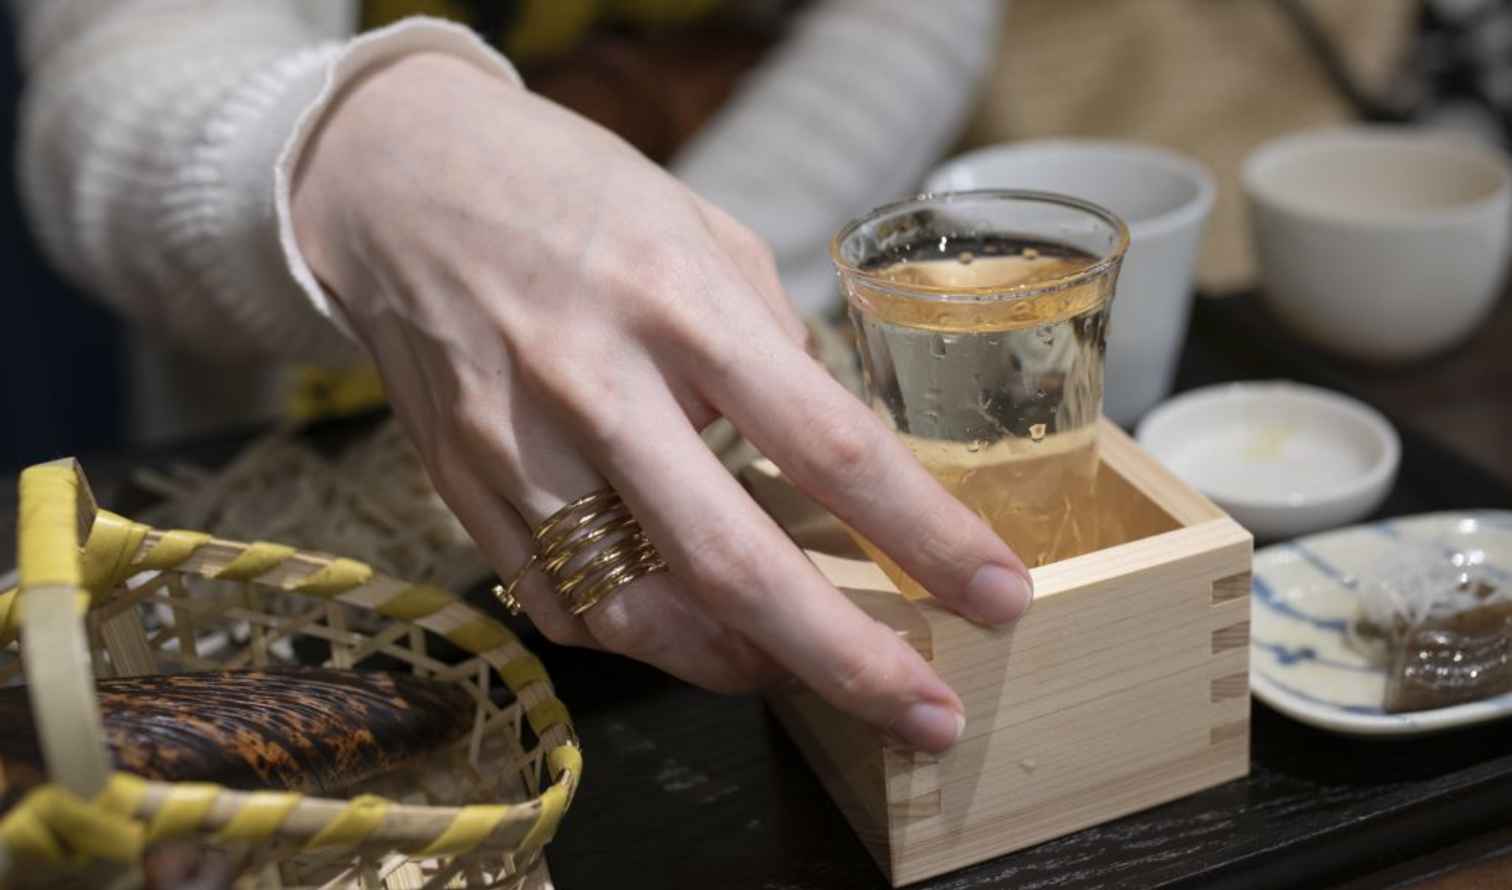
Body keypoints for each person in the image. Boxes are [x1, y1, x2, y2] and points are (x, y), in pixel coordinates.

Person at [10, 0, 1028, 755]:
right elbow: (103, 93)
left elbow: (905, 18)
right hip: (281, 485)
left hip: (732, 415)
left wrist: (680, 262)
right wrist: (357, 148)